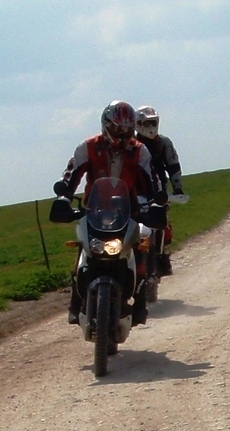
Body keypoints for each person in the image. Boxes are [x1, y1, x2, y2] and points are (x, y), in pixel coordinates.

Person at [54, 100, 163, 326]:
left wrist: (156, 202)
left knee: (139, 247)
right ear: (105, 125)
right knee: (84, 249)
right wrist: (64, 197)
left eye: (126, 129)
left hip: (127, 210)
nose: (121, 134)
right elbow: (71, 174)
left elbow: (153, 179)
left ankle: (140, 302)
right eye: (116, 128)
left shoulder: (139, 150)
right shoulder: (89, 147)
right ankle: (75, 302)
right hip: (94, 208)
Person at [134, 105, 184, 276]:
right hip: (135, 192)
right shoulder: (132, 145)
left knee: (163, 224)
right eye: (146, 123)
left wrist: (177, 187)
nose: (150, 127)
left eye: (153, 122)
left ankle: (163, 255)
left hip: (159, 192)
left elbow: (173, 164)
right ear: (138, 124)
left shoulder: (163, 143)